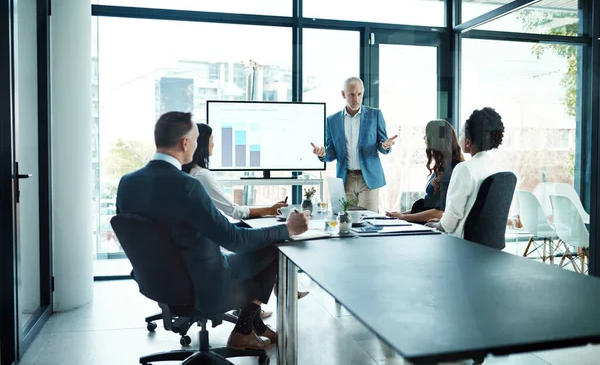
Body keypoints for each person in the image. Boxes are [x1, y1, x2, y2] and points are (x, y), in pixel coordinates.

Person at [116, 111, 310, 350]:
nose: (198, 145)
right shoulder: (188, 186)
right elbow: (234, 241)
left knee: (261, 243)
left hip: (158, 282)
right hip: (205, 285)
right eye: (196, 140)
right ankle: (244, 329)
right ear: (185, 143)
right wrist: (287, 228)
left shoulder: (127, 183)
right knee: (272, 247)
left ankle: (252, 328)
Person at [183, 123, 309, 318]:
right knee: (272, 245)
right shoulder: (201, 175)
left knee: (261, 234)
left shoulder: (185, 174)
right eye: (212, 139)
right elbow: (234, 211)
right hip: (211, 259)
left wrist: (267, 211)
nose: (214, 144)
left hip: (196, 251)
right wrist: (269, 209)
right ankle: (249, 316)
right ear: (201, 144)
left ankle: (260, 305)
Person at [311, 77, 397, 212]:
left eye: (359, 94)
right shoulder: (332, 120)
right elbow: (332, 152)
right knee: (346, 222)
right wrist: (323, 154)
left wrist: (385, 146)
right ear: (343, 94)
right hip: (346, 180)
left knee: (369, 222)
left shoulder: (375, 115)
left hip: (368, 178)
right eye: (351, 94)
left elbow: (382, 144)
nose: (355, 99)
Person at [426, 107, 506, 237]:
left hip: (460, 244)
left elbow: (450, 222)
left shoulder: (465, 168)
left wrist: (436, 225)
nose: (459, 137)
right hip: (485, 246)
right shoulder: (497, 168)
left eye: (461, 134)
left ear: (468, 142)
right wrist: (443, 221)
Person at [386, 120, 464, 224]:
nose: (424, 138)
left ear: (436, 139)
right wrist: (401, 215)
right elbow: (429, 206)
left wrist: (403, 217)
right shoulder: (441, 167)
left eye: (427, 135)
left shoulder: (451, 170)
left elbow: (440, 213)